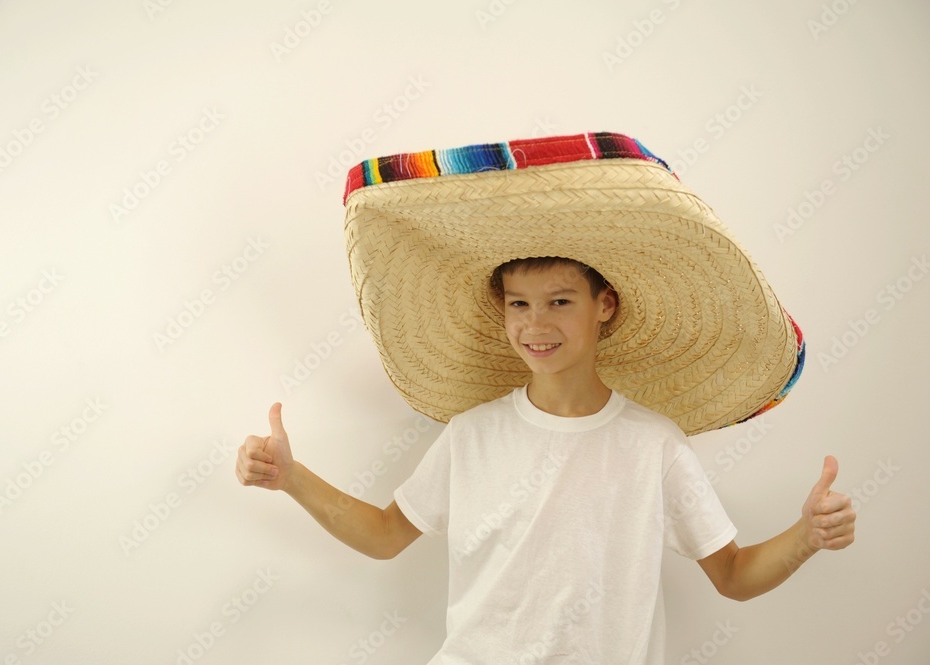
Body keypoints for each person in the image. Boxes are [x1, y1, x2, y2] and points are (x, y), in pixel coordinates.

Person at [236, 132, 856, 663]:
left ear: (603, 306)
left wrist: (805, 536)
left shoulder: (652, 445)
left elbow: (733, 574)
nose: (536, 325)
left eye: (560, 301)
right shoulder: (473, 434)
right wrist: (291, 477)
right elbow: (385, 535)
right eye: (519, 304)